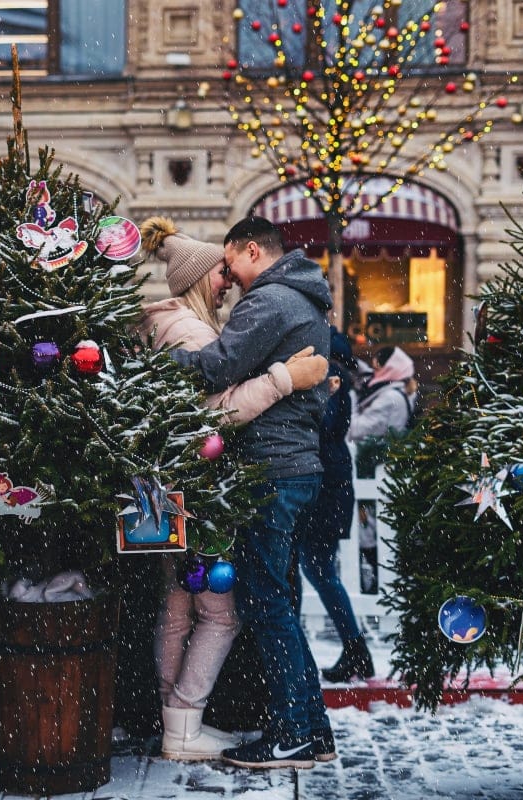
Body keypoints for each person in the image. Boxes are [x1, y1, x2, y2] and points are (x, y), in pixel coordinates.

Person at [138, 217, 328, 761]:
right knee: (274, 603)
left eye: (230, 264)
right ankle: (310, 730)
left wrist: (150, 364)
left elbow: (217, 370)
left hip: (273, 465)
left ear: (251, 250)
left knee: (265, 604)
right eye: (218, 272)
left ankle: (293, 733)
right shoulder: (302, 297)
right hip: (291, 465)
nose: (229, 279)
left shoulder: (268, 301)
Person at [295, 329, 375, 684]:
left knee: (317, 569)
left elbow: (323, 424)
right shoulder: (335, 372)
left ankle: (356, 649)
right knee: (317, 568)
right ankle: (356, 649)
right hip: (332, 480)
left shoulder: (330, 375)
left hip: (326, 483)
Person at [348, 345, 417, 443]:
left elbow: (356, 430)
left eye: (376, 368)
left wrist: (351, 395)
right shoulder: (401, 387)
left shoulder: (390, 397)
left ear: (385, 369)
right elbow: (370, 373)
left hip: (370, 452)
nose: (373, 373)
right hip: (388, 451)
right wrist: (353, 362)